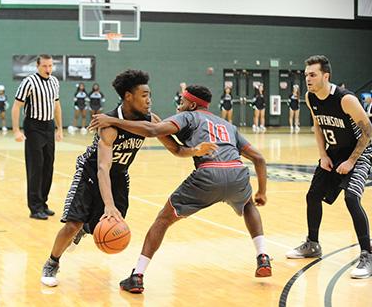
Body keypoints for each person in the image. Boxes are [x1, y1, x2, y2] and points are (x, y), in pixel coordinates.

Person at [40, 70, 217, 287]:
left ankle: (86, 228)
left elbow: (177, 150)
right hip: (90, 172)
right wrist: (108, 205)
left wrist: (196, 150)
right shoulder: (109, 126)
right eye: (144, 95)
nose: (149, 99)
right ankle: (52, 262)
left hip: (120, 175)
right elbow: (102, 168)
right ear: (128, 96)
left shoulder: (152, 121)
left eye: (149, 94)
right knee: (72, 223)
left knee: (108, 223)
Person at [89, 84, 272, 293]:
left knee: (163, 220)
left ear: (192, 104)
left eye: (182, 102)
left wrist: (112, 120)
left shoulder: (188, 117)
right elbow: (258, 158)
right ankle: (263, 256)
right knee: (248, 204)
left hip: (209, 173)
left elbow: (152, 130)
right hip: (237, 172)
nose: (179, 105)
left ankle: (137, 275)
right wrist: (262, 192)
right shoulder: (227, 125)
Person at [286, 55, 372, 279]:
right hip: (333, 153)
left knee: (351, 198)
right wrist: (323, 155)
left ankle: (367, 254)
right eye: (306, 75)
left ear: (326, 76)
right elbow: (317, 125)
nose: (308, 79)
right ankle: (312, 244)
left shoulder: (345, 99)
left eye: (312, 75)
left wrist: (352, 161)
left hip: (360, 153)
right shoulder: (310, 97)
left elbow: (368, 131)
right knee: (313, 195)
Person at [12, 54, 63, 220]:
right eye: (44, 66)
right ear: (37, 66)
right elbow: (16, 106)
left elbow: (56, 105)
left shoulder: (55, 82)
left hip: (48, 126)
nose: (48, 69)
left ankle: (43, 204)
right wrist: (16, 130)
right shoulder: (29, 82)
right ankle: (34, 208)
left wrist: (59, 128)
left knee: (48, 167)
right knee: (36, 167)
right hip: (33, 127)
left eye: (50, 66)